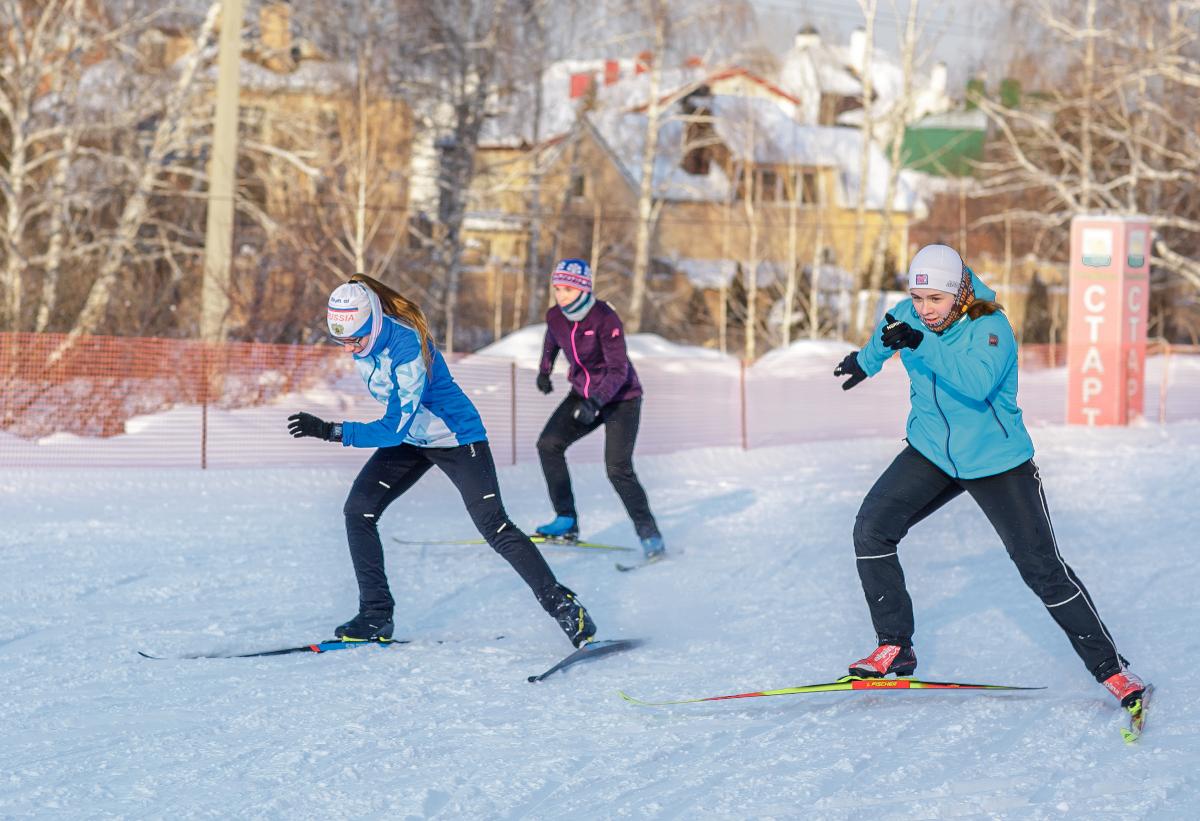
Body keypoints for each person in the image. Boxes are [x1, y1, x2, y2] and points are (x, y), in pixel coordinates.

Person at [832, 243, 1146, 708]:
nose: (924, 310)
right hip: (933, 451)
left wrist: (922, 343)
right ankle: (894, 645)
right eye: (918, 300)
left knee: (1042, 569)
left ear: (959, 292)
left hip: (997, 461)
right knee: (872, 529)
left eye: (934, 300)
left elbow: (976, 384)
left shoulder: (991, 328)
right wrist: (865, 361)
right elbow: (887, 335)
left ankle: (1114, 671)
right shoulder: (909, 315)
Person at [287, 273, 596, 648]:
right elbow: (400, 424)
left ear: (375, 323)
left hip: (456, 438)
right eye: (343, 342)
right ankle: (375, 616)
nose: (351, 349)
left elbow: (391, 429)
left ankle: (566, 608)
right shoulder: (367, 341)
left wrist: (331, 431)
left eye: (355, 340)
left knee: (495, 527)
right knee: (359, 510)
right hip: (413, 437)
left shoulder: (406, 347)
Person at [534, 258, 665, 559]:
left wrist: (596, 402)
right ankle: (566, 520)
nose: (560, 295)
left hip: (622, 399)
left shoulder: (605, 318)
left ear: (582, 289)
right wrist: (544, 370)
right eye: (557, 288)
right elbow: (551, 339)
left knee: (618, 469)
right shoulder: (555, 316)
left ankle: (650, 535)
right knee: (548, 445)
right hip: (583, 394)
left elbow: (618, 370)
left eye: (566, 289)